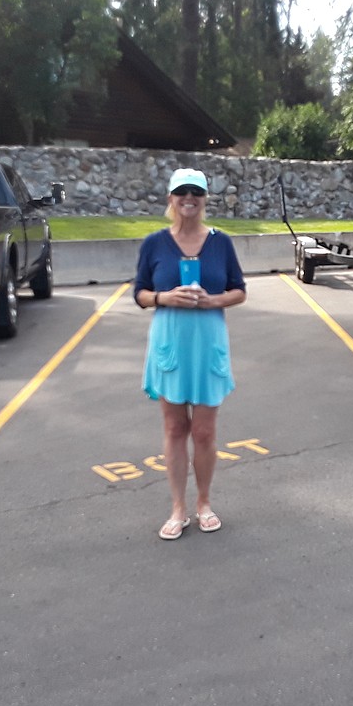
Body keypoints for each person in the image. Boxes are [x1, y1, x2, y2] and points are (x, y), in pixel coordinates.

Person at [134, 168, 247, 540]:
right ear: (170, 198)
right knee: (173, 427)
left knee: (203, 430)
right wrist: (165, 297)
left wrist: (213, 300)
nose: (189, 198)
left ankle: (204, 503)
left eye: (196, 192)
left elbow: (239, 290)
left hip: (208, 341)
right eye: (181, 191)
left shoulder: (220, 242)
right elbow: (140, 293)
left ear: (204, 199)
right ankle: (178, 508)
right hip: (170, 341)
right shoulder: (154, 243)